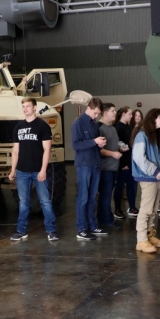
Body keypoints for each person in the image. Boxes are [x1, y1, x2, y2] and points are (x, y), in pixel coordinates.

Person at [9, 97, 58, 242]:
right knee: (23, 203)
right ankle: (21, 231)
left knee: (45, 201)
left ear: (35, 107)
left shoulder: (43, 126)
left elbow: (47, 150)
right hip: (22, 171)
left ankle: (51, 230)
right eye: (23, 106)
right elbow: (15, 151)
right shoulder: (18, 127)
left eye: (28, 106)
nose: (25, 109)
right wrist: (13, 170)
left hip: (38, 171)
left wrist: (43, 170)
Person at [131, 109, 160, 253]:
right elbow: (139, 158)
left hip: (156, 176)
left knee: (153, 210)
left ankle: (150, 236)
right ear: (152, 118)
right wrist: (154, 171)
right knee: (146, 210)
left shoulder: (153, 135)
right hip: (149, 177)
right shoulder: (142, 136)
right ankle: (141, 240)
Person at [71, 97, 105, 240]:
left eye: (98, 113)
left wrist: (100, 144)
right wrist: (94, 142)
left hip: (95, 164)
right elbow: (76, 145)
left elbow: (95, 142)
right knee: (83, 198)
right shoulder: (78, 124)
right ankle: (81, 228)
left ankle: (92, 225)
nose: (96, 116)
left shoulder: (94, 124)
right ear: (89, 108)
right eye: (95, 113)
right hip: (84, 165)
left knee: (92, 197)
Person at [96, 103, 123, 231]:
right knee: (105, 195)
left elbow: (113, 145)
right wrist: (113, 154)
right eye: (113, 111)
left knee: (108, 195)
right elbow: (98, 150)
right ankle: (106, 220)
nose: (115, 113)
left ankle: (104, 217)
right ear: (105, 112)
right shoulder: (99, 128)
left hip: (114, 168)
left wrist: (119, 148)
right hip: (105, 168)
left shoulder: (112, 128)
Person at [114, 106, 138, 219]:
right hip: (123, 163)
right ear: (123, 114)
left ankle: (132, 207)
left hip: (130, 161)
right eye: (130, 114)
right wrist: (122, 164)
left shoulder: (128, 127)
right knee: (119, 186)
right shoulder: (118, 128)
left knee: (131, 186)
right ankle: (117, 209)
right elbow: (117, 146)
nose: (131, 116)